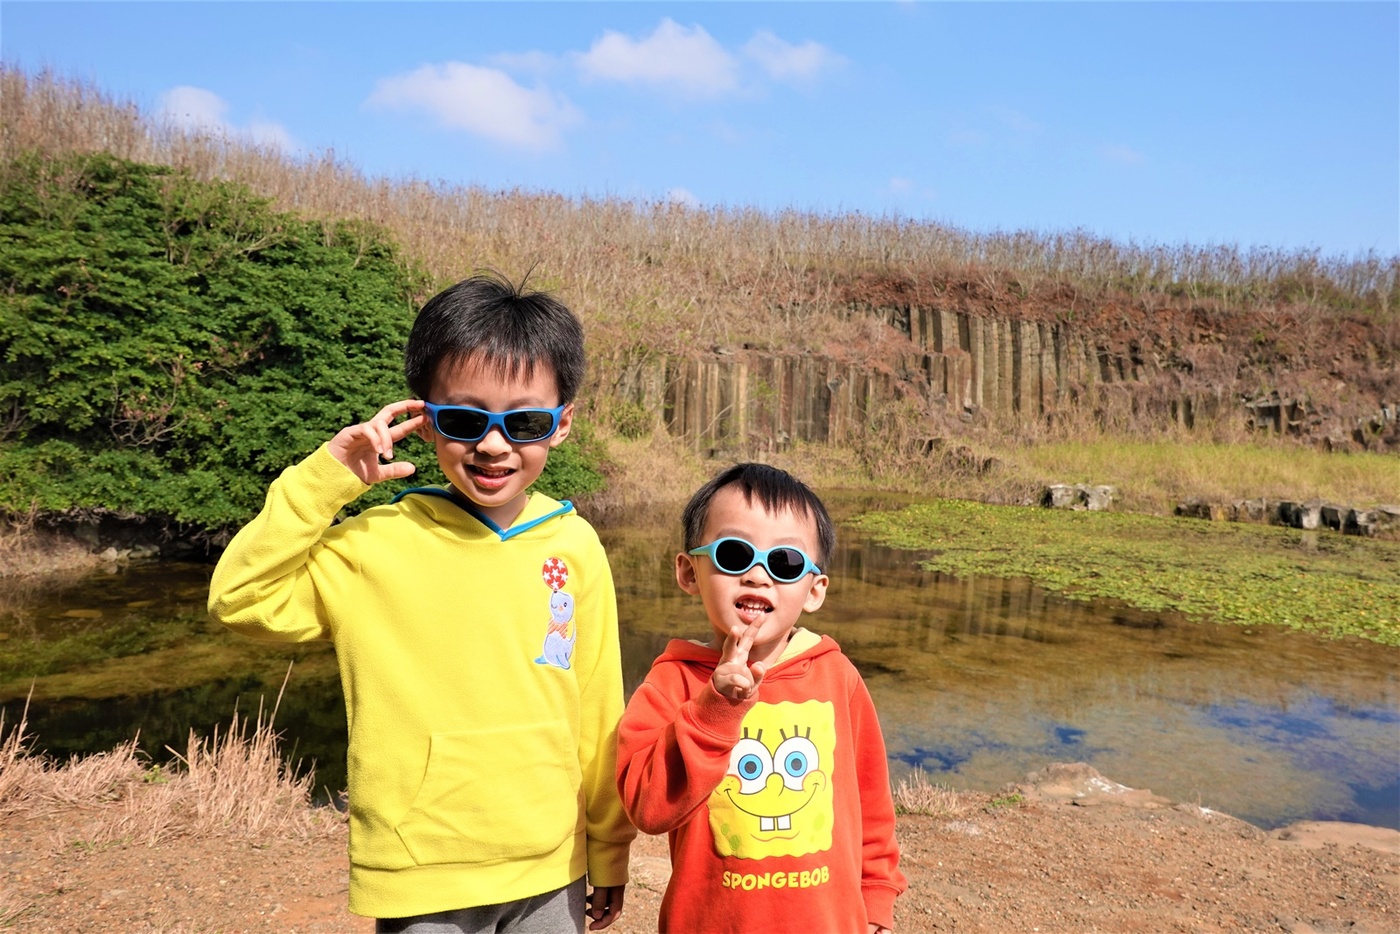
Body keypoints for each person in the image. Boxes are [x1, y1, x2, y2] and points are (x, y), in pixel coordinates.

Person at [208, 272, 633, 933]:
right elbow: (239, 599)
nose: (493, 445)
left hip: (552, 866)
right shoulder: (373, 545)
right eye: (465, 419)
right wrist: (325, 482)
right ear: (427, 420)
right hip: (418, 870)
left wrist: (608, 846)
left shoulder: (574, 544)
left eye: (523, 421)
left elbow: (600, 711)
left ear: (563, 424)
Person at [616, 463, 906, 933]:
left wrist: (875, 898)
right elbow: (648, 808)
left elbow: (871, 804)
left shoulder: (837, 676)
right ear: (689, 572)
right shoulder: (673, 682)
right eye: (734, 554)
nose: (756, 575)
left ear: (814, 590)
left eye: (785, 562)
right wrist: (716, 709)